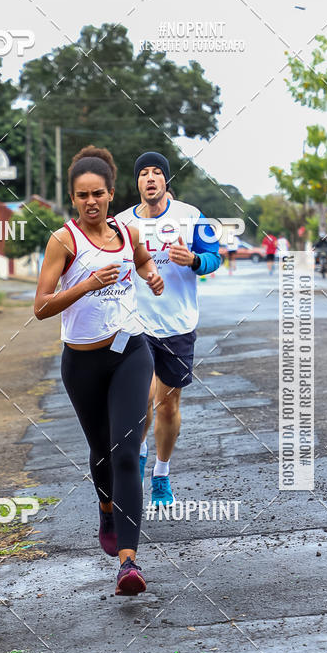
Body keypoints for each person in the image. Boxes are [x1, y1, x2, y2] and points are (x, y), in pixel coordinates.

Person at [34, 146, 164, 595]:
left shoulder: (128, 234)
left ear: (111, 194)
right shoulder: (64, 242)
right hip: (83, 362)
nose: (91, 202)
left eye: (98, 194)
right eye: (81, 195)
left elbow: (143, 260)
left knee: (127, 451)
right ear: (73, 198)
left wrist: (151, 276)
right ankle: (106, 507)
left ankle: (129, 562)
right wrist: (87, 284)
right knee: (102, 452)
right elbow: (41, 307)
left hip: (132, 352)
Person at [116, 151, 221, 506]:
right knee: (140, 399)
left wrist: (193, 260)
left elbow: (213, 258)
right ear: (137, 183)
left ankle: (161, 473)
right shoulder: (122, 223)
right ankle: (139, 451)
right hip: (135, 322)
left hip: (177, 324)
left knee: (168, 404)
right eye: (143, 173)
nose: (149, 178)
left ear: (165, 181)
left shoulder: (190, 217)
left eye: (156, 172)